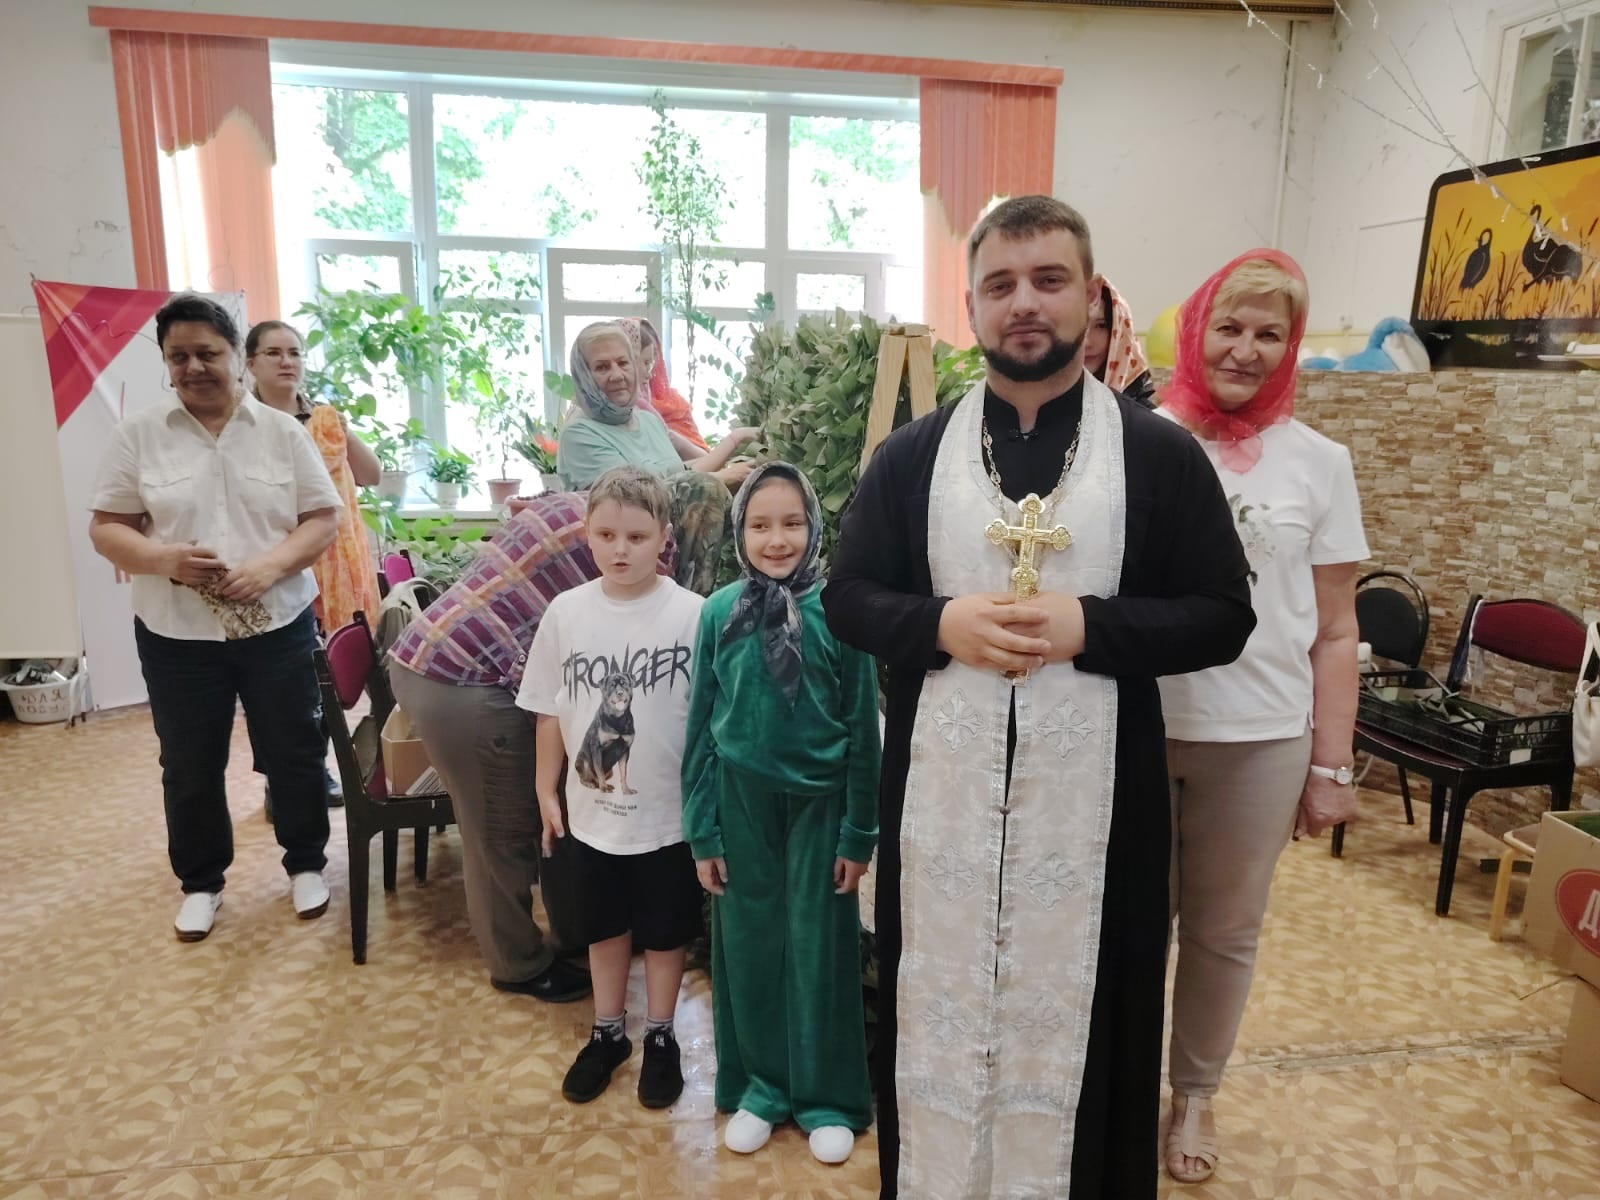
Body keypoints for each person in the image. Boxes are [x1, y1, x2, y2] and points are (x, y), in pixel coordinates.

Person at [822, 196, 1257, 1199]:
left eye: (1048, 280)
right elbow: (846, 596)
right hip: (941, 812)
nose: (1024, 303)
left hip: (1100, 820)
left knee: (1094, 1023)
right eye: (1000, 284)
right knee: (935, 1011)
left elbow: (1222, 615)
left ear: (1090, 298)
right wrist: (939, 624)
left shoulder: (1157, 455)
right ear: (972, 306)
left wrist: (1088, 628)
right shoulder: (912, 456)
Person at [1155, 250, 1367, 1184]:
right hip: (1137, 726)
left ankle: (1195, 1093)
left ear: (1291, 347)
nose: (1246, 349)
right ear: (1196, 330)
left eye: (1269, 334)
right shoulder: (1138, 439)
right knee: (1127, 926)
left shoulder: (1321, 463)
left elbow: (1335, 628)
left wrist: (1331, 766)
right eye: (1230, 327)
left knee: (1223, 932)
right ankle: (1118, 1084)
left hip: (1260, 738)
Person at [88, 293, 342, 942]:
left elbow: (322, 518)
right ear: (165, 362)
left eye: (207, 353)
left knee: (294, 747)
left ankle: (306, 864)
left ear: (236, 355)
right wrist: (163, 559)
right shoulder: (139, 435)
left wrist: (271, 566)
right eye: (179, 357)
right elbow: (108, 527)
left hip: (277, 622)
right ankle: (201, 882)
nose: (194, 367)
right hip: (178, 633)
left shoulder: (282, 432)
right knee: (189, 762)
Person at [681, 462, 879, 1166]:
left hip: (821, 808)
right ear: (739, 531)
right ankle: (760, 1087)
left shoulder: (841, 614)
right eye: (760, 524)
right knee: (750, 948)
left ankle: (828, 1097)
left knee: (820, 951)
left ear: (814, 527)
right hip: (741, 805)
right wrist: (702, 829)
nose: (777, 539)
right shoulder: (718, 613)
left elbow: (863, 728)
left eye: (792, 523)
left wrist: (859, 832)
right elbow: (700, 726)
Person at [520, 466, 706, 1110]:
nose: (620, 549)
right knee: (603, 928)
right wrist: (546, 790)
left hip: (668, 816)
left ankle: (660, 1034)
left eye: (636, 536)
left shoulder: (693, 616)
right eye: (606, 535)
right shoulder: (566, 613)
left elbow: (709, 718)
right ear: (586, 534)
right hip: (592, 815)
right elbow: (548, 709)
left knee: (665, 932)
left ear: (664, 536)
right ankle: (607, 1033)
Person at [245, 320, 382, 630]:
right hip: (276, 560)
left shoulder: (323, 419)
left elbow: (371, 475)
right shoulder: (241, 423)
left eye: (294, 353)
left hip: (335, 554)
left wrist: (346, 435)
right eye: (274, 353)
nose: (286, 361)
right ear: (251, 364)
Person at [555, 321, 756, 491]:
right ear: (583, 376)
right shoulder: (579, 434)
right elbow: (632, 497)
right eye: (602, 367)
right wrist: (719, 479)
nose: (617, 375)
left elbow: (681, 475)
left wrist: (735, 440)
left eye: (623, 363)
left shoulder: (649, 421)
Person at [617, 315, 710, 451]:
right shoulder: (616, 410)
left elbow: (705, 456)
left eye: (652, 362)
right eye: (646, 362)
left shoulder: (673, 403)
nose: (651, 372)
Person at [1083, 277, 1157, 407]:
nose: (1086, 342)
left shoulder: (1141, 411)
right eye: (1078, 326)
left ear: (1119, 332)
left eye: (1101, 326)